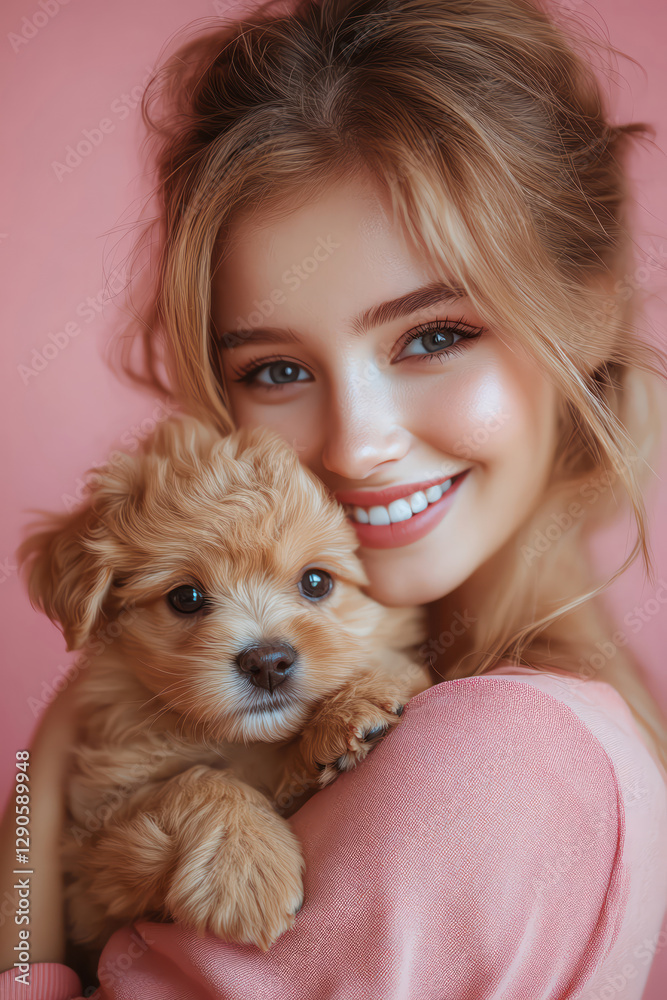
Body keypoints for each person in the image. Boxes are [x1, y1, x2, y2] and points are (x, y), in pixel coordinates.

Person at [2, 0, 667, 996]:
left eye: (433, 335)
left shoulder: (498, 758)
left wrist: (30, 824)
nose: (357, 444)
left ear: (586, 313)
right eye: (275, 369)